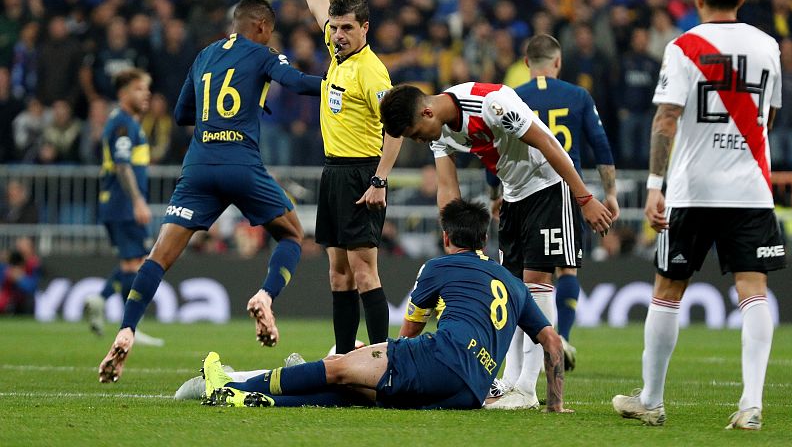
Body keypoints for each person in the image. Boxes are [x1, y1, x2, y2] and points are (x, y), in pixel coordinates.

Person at [97, 0, 323, 383]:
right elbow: (298, 83)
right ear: (262, 27)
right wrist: (340, 87)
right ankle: (265, 296)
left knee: (158, 256)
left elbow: (182, 113)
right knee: (291, 234)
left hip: (199, 167)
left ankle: (127, 329)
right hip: (241, 165)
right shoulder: (264, 54)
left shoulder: (204, 55)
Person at [612, 0, 786, 430]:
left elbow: (666, 118)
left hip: (692, 189)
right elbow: (768, 120)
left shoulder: (683, 47)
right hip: (750, 189)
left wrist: (654, 186)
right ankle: (751, 404)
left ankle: (651, 399)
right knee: (753, 290)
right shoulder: (768, 46)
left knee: (668, 289)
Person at [200, 199, 570, 412]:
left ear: (446, 237)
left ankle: (233, 387)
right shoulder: (515, 285)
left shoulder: (439, 267)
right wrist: (555, 405)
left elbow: (409, 333)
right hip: (470, 392)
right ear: (484, 240)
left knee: (339, 366)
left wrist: (377, 354)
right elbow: (553, 343)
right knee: (358, 391)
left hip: (443, 358)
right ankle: (262, 401)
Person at [379, 81, 614, 409]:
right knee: (513, 288)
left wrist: (584, 198)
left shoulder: (491, 104)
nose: (419, 140)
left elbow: (548, 143)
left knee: (536, 284)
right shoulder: (441, 131)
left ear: (427, 112)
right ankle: (512, 380)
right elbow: (447, 186)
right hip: (512, 196)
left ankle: (528, 388)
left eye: (416, 133)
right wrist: (454, 238)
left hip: (548, 186)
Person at [290, 0, 403, 354]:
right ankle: (342, 355)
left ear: (365, 28)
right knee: (338, 274)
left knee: (364, 271)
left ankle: (380, 357)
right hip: (334, 172)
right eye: (334, 28)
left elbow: (395, 127)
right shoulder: (338, 51)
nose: (337, 35)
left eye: (346, 28)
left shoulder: (371, 71)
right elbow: (316, 1)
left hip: (362, 173)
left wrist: (380, 180)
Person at [493, 34, 618, 396]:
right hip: (565, 190)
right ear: (558, 62)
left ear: (526, 63)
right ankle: (560, 338)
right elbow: (600, 145)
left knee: (521, 277)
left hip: (518, 191)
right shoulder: (578, 95)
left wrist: (494, 194)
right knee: (563, 270)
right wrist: (609, 193)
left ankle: (526, 371)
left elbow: (498, 146)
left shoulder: (511, 96)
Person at [83, 69, 162, 346]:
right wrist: (138, 201)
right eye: (139, 89)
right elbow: (122, 165)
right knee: (138, 263)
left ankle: (104, 301)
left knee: (132, 263)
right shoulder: (123, 125)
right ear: (123, 93)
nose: (146, 94)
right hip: (123, 204)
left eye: (147, 89)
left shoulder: (126, 122)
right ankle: (128, 327)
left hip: (117, 205)